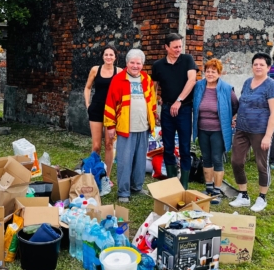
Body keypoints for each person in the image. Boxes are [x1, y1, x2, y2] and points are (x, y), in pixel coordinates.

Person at [229, 53, 274, 212]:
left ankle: (262, 197)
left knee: (261, 164)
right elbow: (243, 103)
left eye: (262, 64)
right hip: (242, 129)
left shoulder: (272, 86)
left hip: (260, 131)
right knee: (236, 161)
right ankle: (243, 195)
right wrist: (236, 117)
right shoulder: (247, 82)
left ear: (268, 68)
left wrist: (268, 136)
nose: (258, 67)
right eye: (255, 64)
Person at [104, 49, 157, 203]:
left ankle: (137, 187)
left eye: (138, 63)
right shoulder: (118, 79)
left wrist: (152, 119)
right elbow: (110, 102)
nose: (135, 66)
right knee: (125, 161)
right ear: (127, 63)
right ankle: (123, 192)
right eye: (132, 63)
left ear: (142, 64)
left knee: (140, 160)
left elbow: (151, 100)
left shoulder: (146, 79)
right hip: (125, 127)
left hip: (143, 126)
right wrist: (110, 126)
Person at [152, 33, 197, 189]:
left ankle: (184, 184)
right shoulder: (158, 65)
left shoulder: (187, 60)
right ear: (166, 47)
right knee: (168, 146)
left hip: (184, 109)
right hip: (166, 110)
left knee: (185, 146)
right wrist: (154, 108)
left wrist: (179, 101)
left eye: (180, 46)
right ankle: (172, 183)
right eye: (175, 47)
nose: (179, 49)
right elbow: (154, 87)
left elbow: (192, 80)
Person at [192, 59, 239, 204]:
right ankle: (208, 188)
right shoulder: (199, 86)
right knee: (206, 158)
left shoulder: (226, 88)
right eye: (208, 71)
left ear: (219, 73)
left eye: (213, 71)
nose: (210, 74)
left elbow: (236, 105)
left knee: (217, 159)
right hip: (202, 129)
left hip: (218, 130)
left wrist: (229, 117)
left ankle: (217, 191)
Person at [84, 45, 123, 193]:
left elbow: (122, 91)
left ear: (115, 57)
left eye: (111, 55)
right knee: (96, 146)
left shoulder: (119, 72)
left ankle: (106, 177)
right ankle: (94, 172)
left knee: (109, 144)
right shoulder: (95, 70)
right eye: (106, 54)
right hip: (96, 110)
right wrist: (88, 104)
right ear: (103, 56)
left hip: (111, 112)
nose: (108, 57)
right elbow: (87, 87)